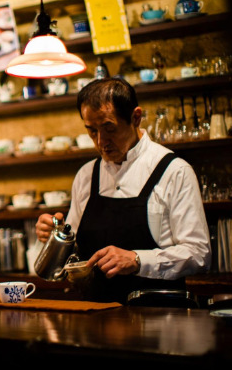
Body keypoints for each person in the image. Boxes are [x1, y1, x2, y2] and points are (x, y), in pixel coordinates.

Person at [36, 77, 211, 303]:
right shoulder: (86, 175)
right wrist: (56, 237)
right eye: (91, 131)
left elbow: (199, 255)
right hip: (95, 315)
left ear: (135, 118)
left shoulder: (174, 171)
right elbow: (75, 257)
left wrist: (137, 260)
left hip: (157, 316)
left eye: (109, 128)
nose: (101, 142)